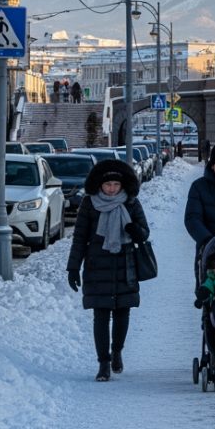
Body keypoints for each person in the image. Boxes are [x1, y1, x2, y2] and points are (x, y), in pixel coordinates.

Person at [67, 158, 150, 382]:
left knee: (123, 312)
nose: (112, 189)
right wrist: (73, 267)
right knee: (100, 316)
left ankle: (117, 352)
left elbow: (144, 233)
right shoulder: (89, 204)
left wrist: (135, 230)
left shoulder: (131, 203)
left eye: (116, 185)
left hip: (125, 264)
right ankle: (103, 364)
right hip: (97, 265)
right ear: (99, 185)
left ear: (123, 185)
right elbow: (80, 238)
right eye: (107, 185)